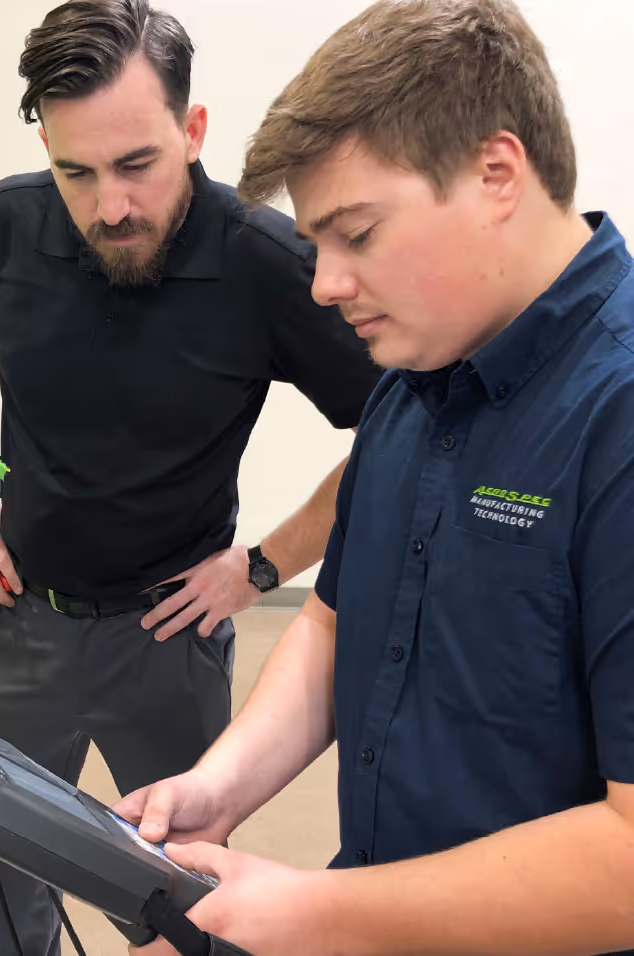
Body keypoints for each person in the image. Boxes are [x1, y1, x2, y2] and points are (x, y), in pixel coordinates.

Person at [115, 1, 634, 953]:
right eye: (318, 246)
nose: (324, 285)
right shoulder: (415, 381)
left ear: (496, 175)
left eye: (358, 234)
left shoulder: (618, 420)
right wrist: (216, 785)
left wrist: (309, 910)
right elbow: (337, 621)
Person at [0, 1, 380, 952]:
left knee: (179, 891)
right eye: (76, 171)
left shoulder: (265, 263)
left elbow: (404, 428)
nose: (109, 204)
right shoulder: (2, 225)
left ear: (192, 133)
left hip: (171, 636)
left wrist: (263, 567)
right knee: (13, 879)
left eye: (137, 166)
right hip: (27, 618)